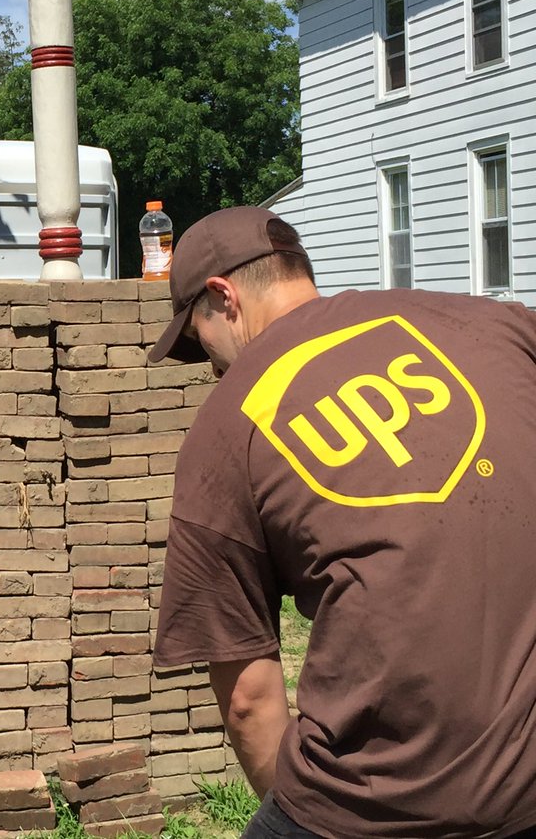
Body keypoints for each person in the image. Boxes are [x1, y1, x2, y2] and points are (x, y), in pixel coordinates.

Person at [148, 206, 536, 838]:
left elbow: (249, 701)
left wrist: (307, 816)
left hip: (374, 806)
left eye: (198, 341)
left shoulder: (229, 425)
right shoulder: (490, 323)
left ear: (224, 298)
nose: (212, 368)